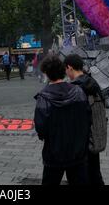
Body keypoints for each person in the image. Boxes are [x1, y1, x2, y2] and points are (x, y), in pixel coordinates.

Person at [34, 54, 91, 186]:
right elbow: (87, 117)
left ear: (47, 73)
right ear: (63, 71)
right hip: (77, 152)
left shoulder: (44, 97)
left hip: (54, 153)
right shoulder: (78, 91)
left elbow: (41, 127)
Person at [65, 54, 106, 186]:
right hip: (94, 137)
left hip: (81, 142)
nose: (66, 73)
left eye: (66, 70)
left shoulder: (76, 88)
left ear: (69, 67)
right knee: (95, 174)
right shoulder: (93, 83)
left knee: (81, 177)